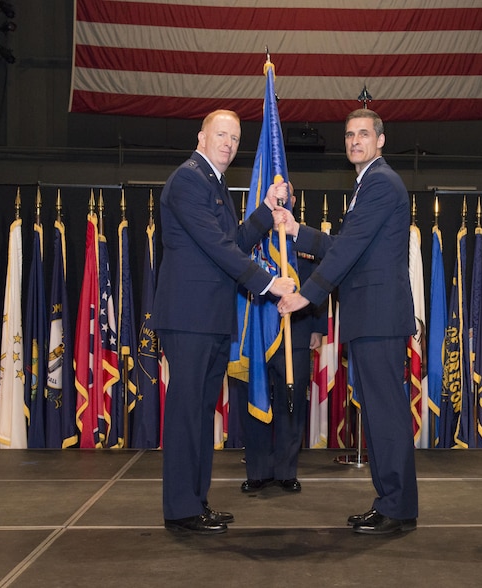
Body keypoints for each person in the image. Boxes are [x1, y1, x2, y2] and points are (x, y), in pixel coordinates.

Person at [154, 109, 295, 535]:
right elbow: (218, 247)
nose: (229, 144)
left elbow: (233, 241)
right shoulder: (188, 180)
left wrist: (265, 212)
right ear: (201, 137)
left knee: (200, 414)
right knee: (187, 414)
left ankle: (195, 502)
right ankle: (181, 508)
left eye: (235, 138)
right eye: (222, 135)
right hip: (189, 318)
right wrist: (269, 284)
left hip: (211, 318)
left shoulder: (214, 183)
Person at [277, 109, 417, 535]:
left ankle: (397, 507)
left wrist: (306, 295)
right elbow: (348, 245)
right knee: (377, 414)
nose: (355, 141)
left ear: (380, 140)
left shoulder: (380, 182)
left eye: (363, 134)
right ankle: (390, 502)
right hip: (370, 317)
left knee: (386, 415)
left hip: (378, 318)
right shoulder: (367, 183)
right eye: (349, 135)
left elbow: (348, 249)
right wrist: (297, 230)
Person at [239, 192, 327, 494]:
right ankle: (258, 471)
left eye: (286, 193)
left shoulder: (301, 235)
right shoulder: (250, 235)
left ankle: (287, 470)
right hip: (256, 330)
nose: (281, 198)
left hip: (298, 328)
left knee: (292, 402)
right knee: (255, 398)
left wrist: (317, 328)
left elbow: (319, 280)